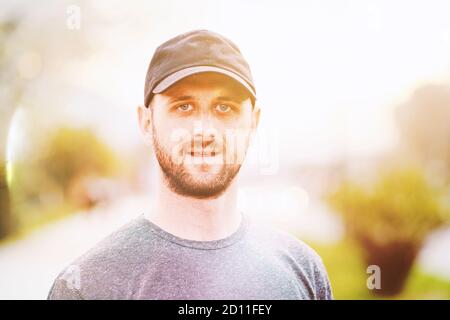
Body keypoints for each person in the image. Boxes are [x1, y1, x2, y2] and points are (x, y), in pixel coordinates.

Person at [47, 29, 333, 300]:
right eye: (183, 107)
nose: (203, 131)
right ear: (147, 123)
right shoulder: (88, 286)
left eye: (225, 107)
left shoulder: (303, 271)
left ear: (253, 122)